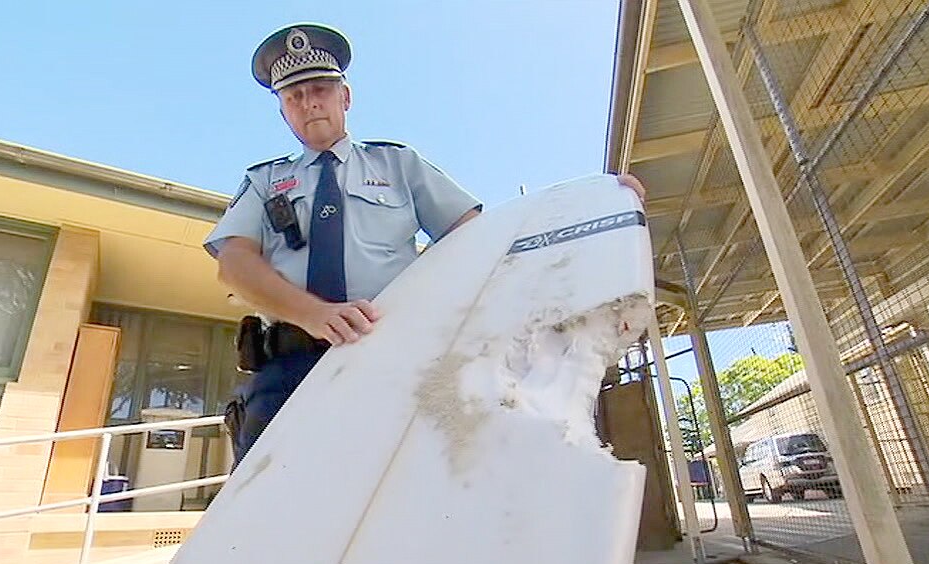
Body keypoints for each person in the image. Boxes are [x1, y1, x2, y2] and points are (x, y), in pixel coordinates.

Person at [205, 23, 648, 468]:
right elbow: (235, 262)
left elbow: (481, 239)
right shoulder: (264, 183)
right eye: (293, 97)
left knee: (400, 504)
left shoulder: (399, 165)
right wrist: (314, 315)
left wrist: (588, 204)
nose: (308, 103)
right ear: (283, 112)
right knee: (275, 513)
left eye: (320, 88)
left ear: (345, 98)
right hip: (288, 368)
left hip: (394, 360)